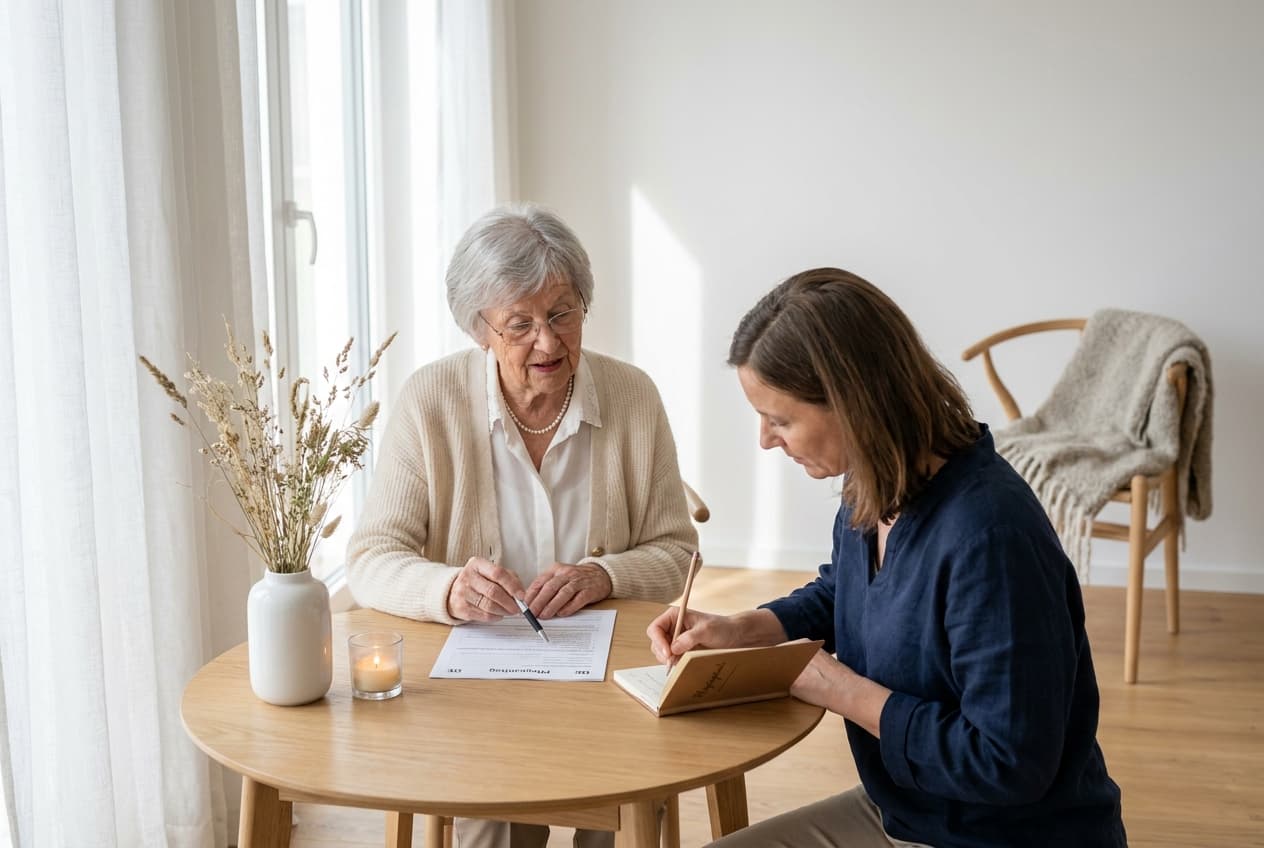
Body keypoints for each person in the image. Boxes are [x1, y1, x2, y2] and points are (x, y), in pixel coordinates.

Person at [648, 268, 1126, 848]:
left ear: (853, 404)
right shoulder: (875, 484)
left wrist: (837, 688)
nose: (766, 440)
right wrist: (748, 628)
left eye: (780, 419)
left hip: (1001, 834)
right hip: (909, 811)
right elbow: (846, 591)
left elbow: (1009, 764)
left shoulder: (990, 539)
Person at [348, 203, 697, 848]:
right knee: (493, 810)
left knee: (616, 800)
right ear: (479, 330)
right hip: (480, 679)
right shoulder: (432, 400)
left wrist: (604, 574)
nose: (548, 341)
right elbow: (371, 557)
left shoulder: (632, 396)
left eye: (563, 313)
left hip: (604, 676)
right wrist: (448, 589)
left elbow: (678, 550)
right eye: (520, 324)